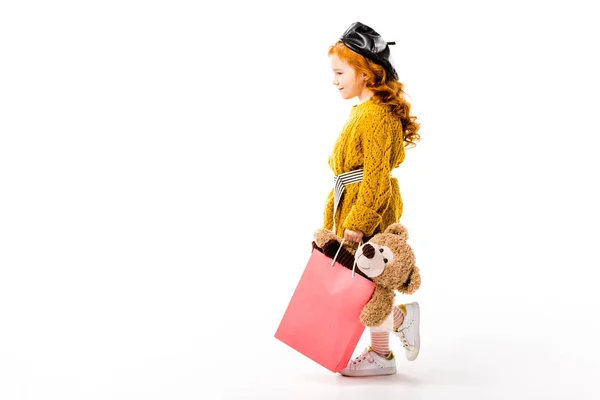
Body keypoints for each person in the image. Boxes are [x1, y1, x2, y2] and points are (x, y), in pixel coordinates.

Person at [323, 21, 422, 377]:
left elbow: (376, 174)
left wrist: (359, 223)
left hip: (369, 205)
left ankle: (386, 344)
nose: (334, 80)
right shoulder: (364, 111)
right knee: (363, 280)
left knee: (368, 279)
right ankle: (390, 334)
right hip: (353, 200)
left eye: (339, 72)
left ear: (365, 72)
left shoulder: (377, 115)